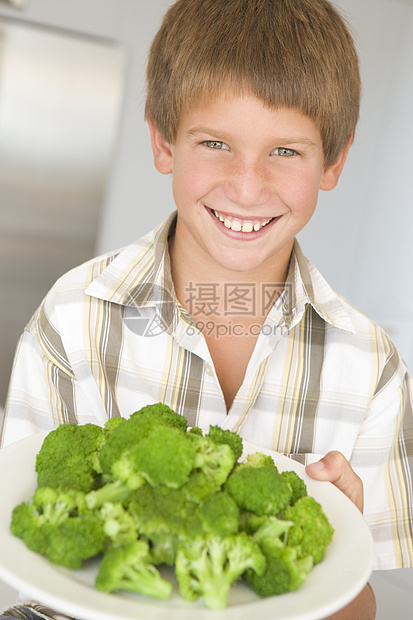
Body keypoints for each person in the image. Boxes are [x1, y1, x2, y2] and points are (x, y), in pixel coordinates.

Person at [1, 0, 412, 617]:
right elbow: (29, 544)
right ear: (164, 142)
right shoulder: (70, 318)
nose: (247, 188)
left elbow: (363, 604)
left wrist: (336, 553)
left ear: (334, 160)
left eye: (286, 152)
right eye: (215, 142)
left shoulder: (373, 365)